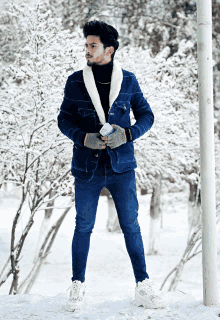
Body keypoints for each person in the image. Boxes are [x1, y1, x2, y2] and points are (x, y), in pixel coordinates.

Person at [57, 20, 166, 312]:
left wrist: (127, 133)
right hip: (86, 168)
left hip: (122, 168)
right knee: (83, 226)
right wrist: (83, 137)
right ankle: (77, 286)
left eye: (92, 45)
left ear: (109, 49)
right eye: (87, 45)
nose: (87, 50)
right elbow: (63, 119)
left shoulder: (128, 80)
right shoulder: (75, 81)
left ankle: (143, 286)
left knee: (131, 226)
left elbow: (147, 115)